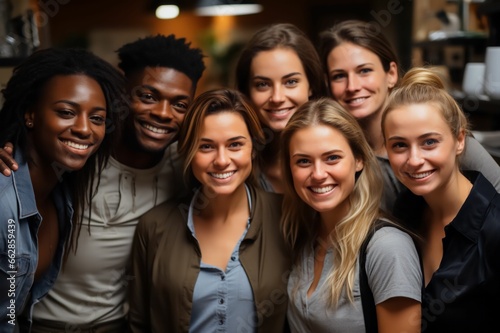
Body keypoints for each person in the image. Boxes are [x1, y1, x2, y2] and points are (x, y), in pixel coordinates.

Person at [0, 35, 206, 332]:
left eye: (179, 104)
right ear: (121, 94)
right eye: (147, 96)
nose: (162, 113)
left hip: (116, 325)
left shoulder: (185, 167)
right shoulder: (77, 160)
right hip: (40, 322)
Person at [128, 89, 291, 333]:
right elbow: (138, 323)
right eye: (206, 147)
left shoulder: (287, 216)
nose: (222, 160)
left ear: (253, 149)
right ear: (188, 153)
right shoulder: (154, 226)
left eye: (235, 144)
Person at [0, 47, 127, 332]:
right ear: (30, 115)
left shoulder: (61, 194)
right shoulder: (3, 201)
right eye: (67, 112)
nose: (85, 129)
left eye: (97, 118)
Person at [318, 19, 500, 211]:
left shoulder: (447, 141)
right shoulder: (341, 160)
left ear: (391, 74)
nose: (352, 86)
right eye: (339, 76)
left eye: (364, 70)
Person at [280, 97, 422, 333]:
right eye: (303, 161)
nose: (317, 174)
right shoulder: (304, 234)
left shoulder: (388, 248)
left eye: (332, 158)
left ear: (358, 160)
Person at [382, 67, 500, 332]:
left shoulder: (494, 229)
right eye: (399, 145)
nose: (414, 160)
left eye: (429, 142)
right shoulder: (405, 210)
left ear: (459, 140)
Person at [235, 23, 328, 193]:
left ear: (311, 85)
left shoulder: (343, 158)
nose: (277, 98)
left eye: (291, 82)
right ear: (247, 92)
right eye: (262, 84)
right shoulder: (234, 163)